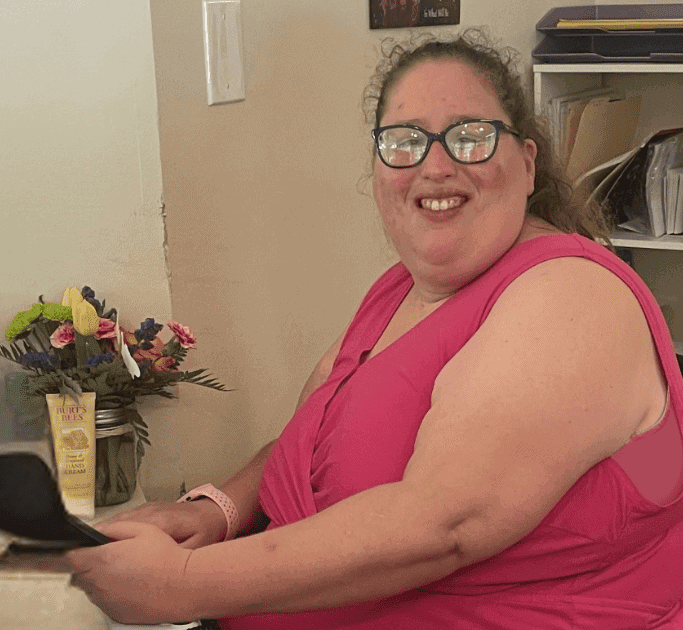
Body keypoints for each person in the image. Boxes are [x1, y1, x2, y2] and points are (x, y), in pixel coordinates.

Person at [65, 30, 683, 628]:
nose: (435, 166)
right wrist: (218, 509)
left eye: (470, 137)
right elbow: (302, 438)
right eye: (405, 141)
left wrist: (176, 585)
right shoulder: (401, 288)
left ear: (526, 165)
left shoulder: (572, 296)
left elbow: (444, 525)